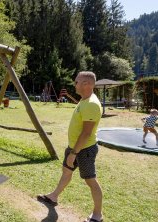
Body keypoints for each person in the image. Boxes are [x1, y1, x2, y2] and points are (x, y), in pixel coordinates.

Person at [37, 71, 103, 222]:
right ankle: (53, 197)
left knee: (90, 180)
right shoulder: (84, 100)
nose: (75, 84)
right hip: (74, 147)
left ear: (86, 84)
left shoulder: (92, 104)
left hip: (83, 150)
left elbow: (86, 133)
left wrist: (74, 153)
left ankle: (98, 215)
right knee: (66, 171)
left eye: (76, 82)